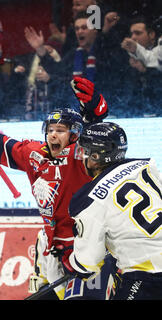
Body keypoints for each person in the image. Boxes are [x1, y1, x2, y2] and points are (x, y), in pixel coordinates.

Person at [0, 71, 118, 299]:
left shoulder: (80, 156)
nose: (53, 135)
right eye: (50, 130)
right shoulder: (34, 154)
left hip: (85, 247)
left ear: (75, 135)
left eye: (61, 130)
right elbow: (2, 146)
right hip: (49, 248)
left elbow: (103, 145)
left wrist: (94, 115)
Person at [64, 122, 162, 300]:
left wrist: (71, 264)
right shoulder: (146, 166)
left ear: (95, 155)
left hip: (148, 277)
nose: (81, 157)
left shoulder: (89, 199)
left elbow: (87, 263)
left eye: (84, 151)